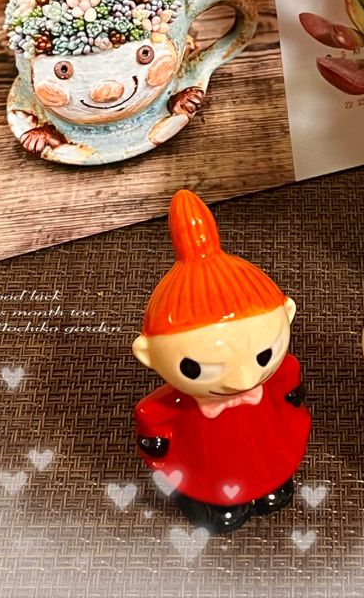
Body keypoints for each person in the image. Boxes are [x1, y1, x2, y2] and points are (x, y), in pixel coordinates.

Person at [132, 189, 311, 533]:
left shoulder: (267, 378)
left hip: (264, 432)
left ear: (287, 314)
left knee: (271, 459)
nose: (242, 380)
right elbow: (152, 412)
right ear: (146, 354)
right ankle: (213, 502)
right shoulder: (180, 403)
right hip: (204, 449)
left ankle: (269, 485)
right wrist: (153, 437)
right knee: (207, 478)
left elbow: (288, 372)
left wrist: (291, 392)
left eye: (263, 357)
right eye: (198, 369)